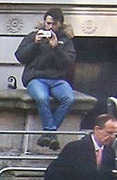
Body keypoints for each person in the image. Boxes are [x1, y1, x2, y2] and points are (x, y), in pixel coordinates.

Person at [16, 9, 77, 149]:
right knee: (42, 98)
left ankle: (47, 134)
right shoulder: (33, 36)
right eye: (48, 23)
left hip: (58, 79)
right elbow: (20, 57)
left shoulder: (66, 41)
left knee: (69, 98)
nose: (49, 27)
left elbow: (68, 62)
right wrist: (35, 44)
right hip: (36, 78)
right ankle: (51, 133)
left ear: (60, 24)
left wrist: (56, 48)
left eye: (53, 24)